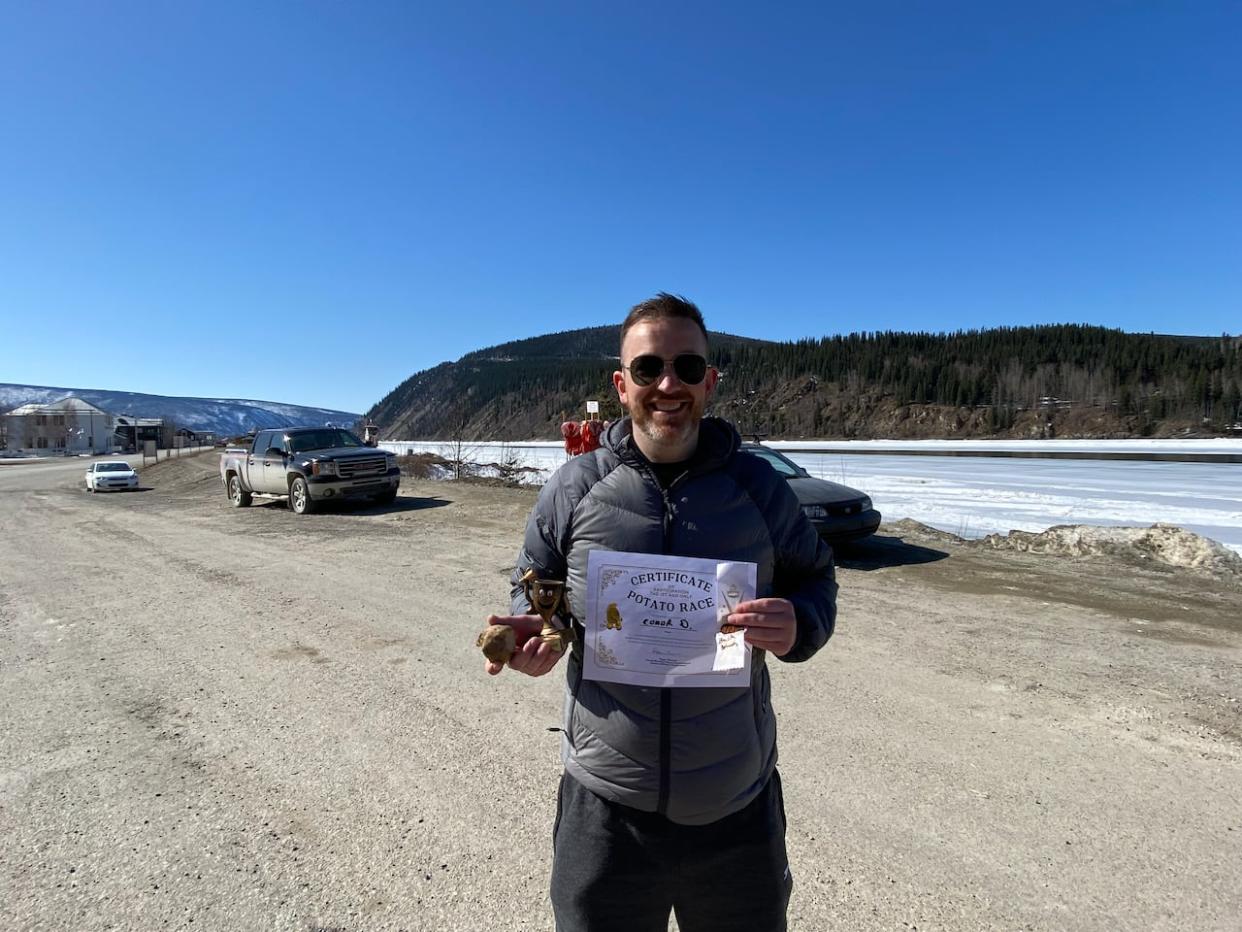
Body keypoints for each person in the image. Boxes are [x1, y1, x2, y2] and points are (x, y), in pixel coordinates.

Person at [483, 293, 837, 932]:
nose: (668, 384)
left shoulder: (759, 489)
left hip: (735, 809)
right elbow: (535, 580)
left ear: (711, 382)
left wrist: (799, 623)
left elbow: (815, 576)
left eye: (688, 367)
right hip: (606, 812)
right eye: (648, 369)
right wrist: (542, 630)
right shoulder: (575, 487)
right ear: (622, 386)